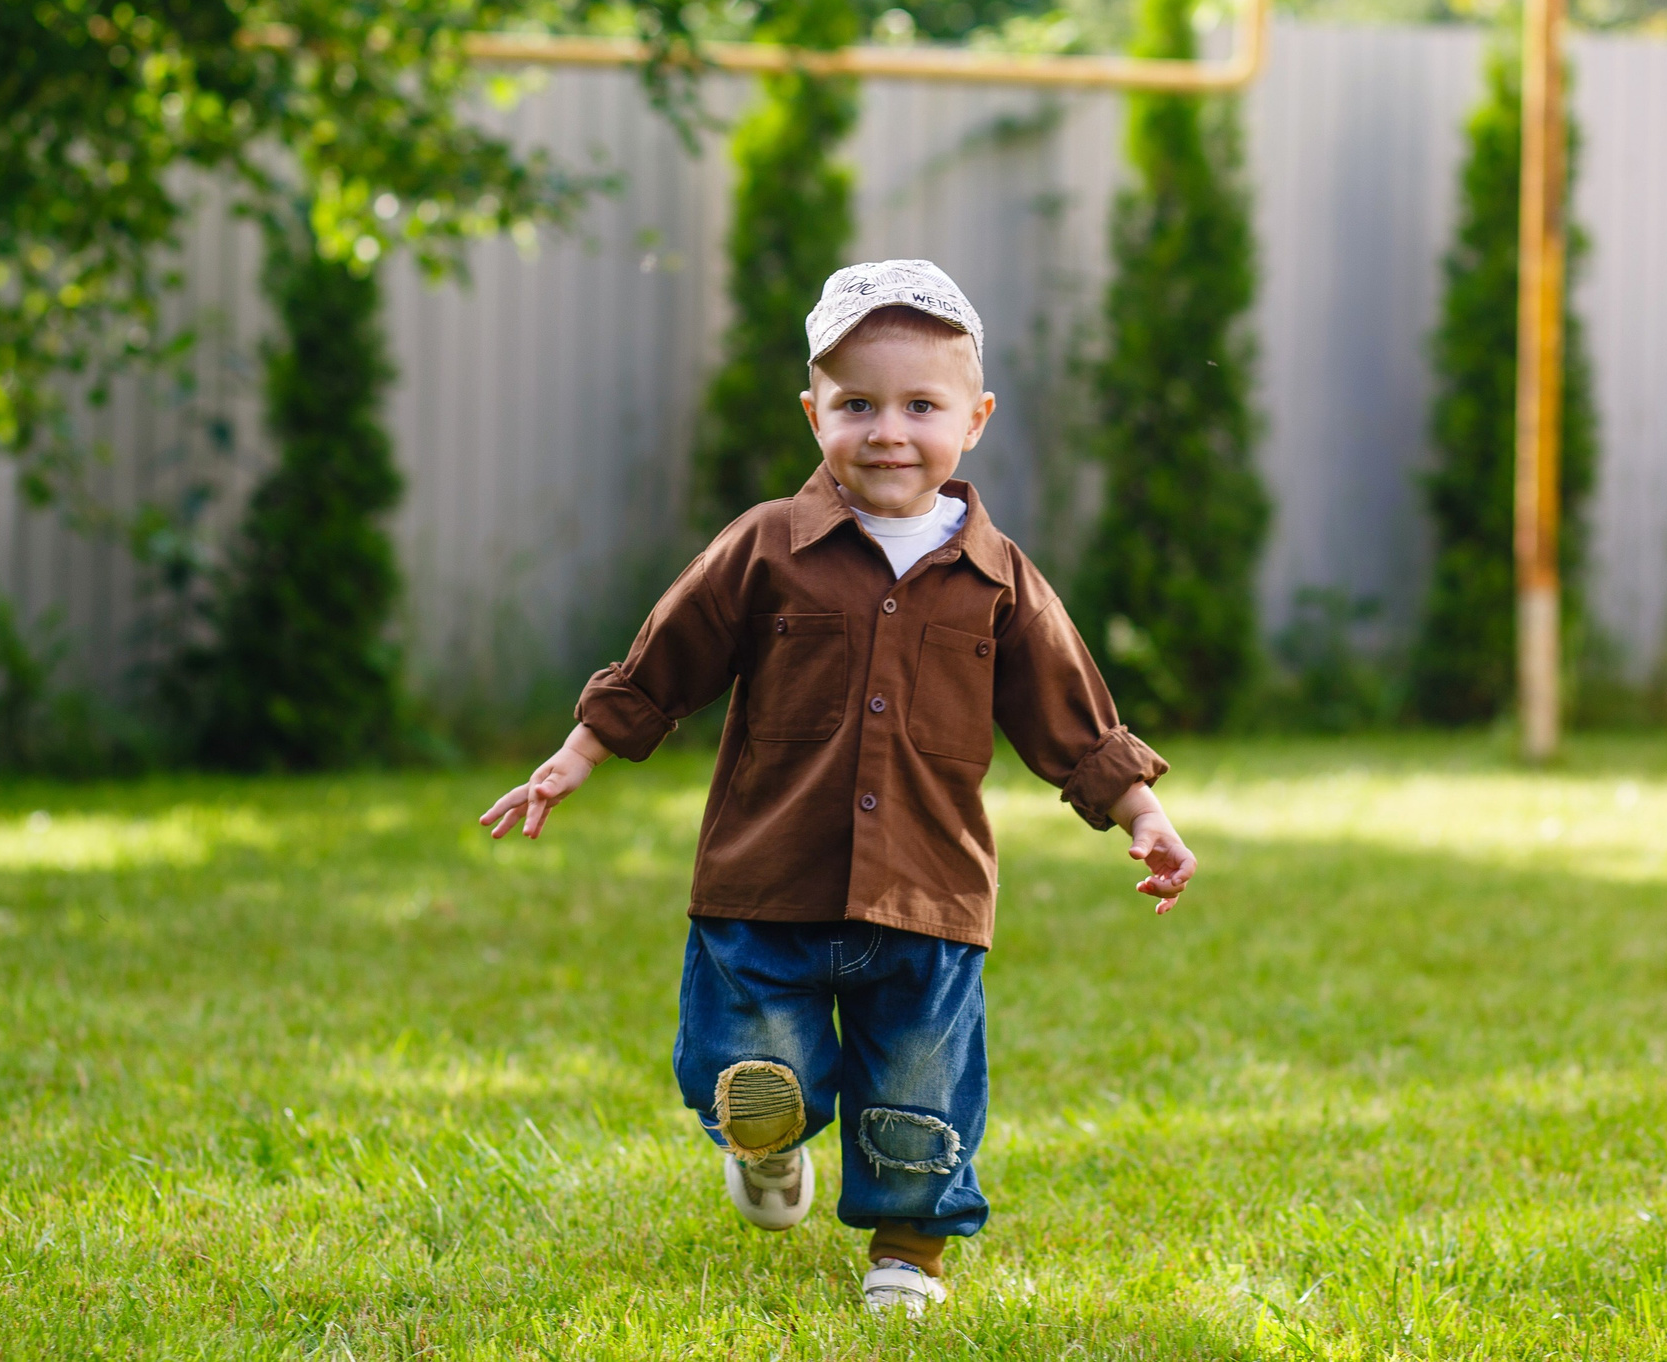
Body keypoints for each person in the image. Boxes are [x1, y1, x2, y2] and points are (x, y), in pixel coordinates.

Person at [479, 258, 1196, 1319]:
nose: (888, 431)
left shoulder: (1000, 576)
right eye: (857, 404)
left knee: (919, 1084)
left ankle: (908, 1246)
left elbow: (1068, 707)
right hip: (766, 875)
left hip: (928, 889)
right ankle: (764, 1143)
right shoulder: (766, 544)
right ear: (814, 412)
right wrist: (575, 753)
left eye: (921, 405)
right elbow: (666, 657)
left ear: (976, 418)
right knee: (748, 1056)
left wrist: (1140, 810)